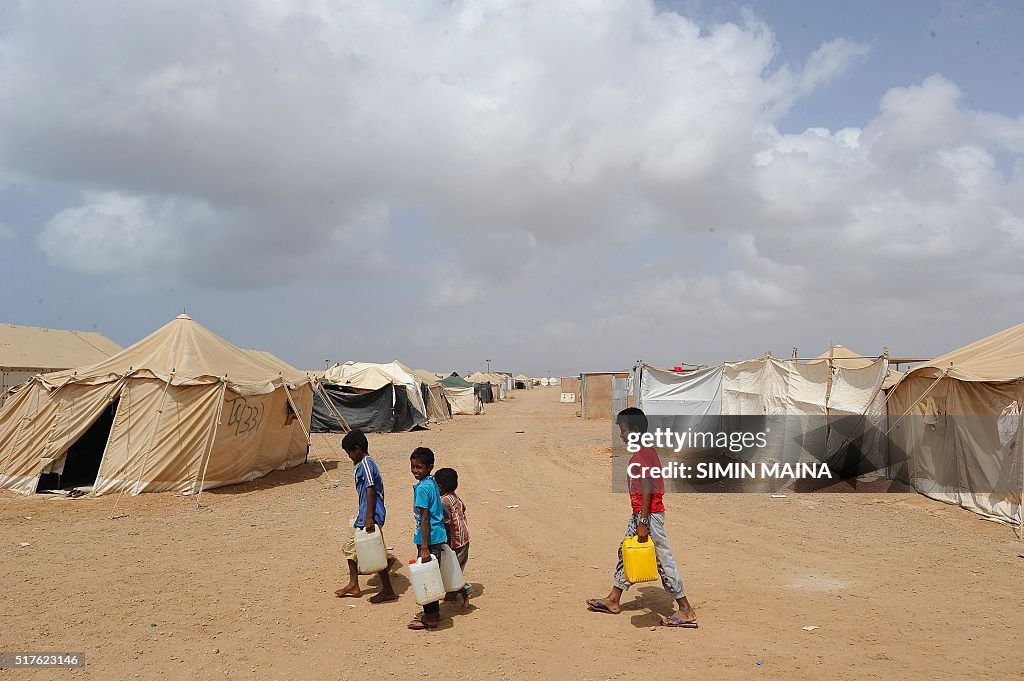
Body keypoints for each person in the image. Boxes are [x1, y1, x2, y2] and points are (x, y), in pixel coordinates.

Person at [586, 407, 698, 628]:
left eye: (624, 430)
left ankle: (686, 609)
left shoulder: (642, 455)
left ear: (635, 430)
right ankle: (613, 599)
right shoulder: (645, 451)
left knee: (662, 560)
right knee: (626, 552)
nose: (621, 435)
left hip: (649, 515)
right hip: (641, 514)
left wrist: (644, 522)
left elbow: (647, 488)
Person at [334, 430, 397, 604]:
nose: (349, 457)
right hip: (365, 513)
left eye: (349, 453)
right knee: (362, 547)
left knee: (367, 548)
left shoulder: (366, 464)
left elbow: (370, 487)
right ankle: (355, 584)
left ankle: (386, 589)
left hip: (371, 514)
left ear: (358, 449)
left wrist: (369, 517)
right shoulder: (363, 463)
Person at [408, 447, 448, 630]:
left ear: (430, 467)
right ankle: (432, 612)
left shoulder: (423, 488)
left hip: (429, 539)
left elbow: (425, 518)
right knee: (431, 574)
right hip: (436, 536)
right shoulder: (431, 482)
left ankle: (430, 617)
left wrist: (424, 546)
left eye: (419, 467)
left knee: (427, 577)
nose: (415, 470)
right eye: (413, 466)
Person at [435, 467, 471, 606]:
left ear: (439, 486)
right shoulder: (454, 497)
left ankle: (465, 591)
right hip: (464, 539)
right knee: (455, 568)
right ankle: (451, 594)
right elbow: (463, 508)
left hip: (455, 541)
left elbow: (446, 523)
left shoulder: (443, 501)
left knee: (451, 570)